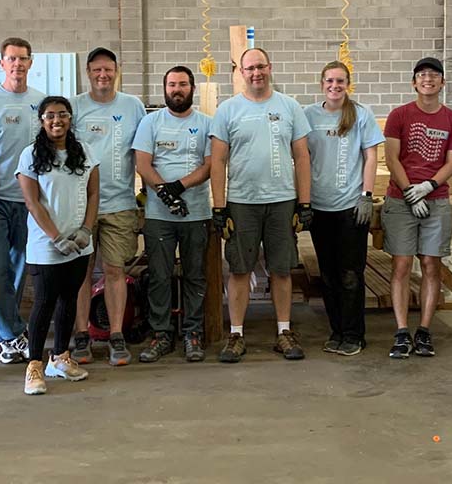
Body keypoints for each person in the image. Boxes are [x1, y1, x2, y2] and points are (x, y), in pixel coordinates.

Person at [209, 47, 312, 363]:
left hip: (281, 201)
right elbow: (218, 160)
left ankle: (283, 332)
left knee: (281, 269)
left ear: (270, 67)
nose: (256, 73)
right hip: (242, 203)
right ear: (241, 72)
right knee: (239, 268)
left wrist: (304, 203)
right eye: (249, 68)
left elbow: (302, 156)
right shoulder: (228, 110)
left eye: (261, 67)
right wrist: (219, 206)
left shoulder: (290, 106)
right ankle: (236, 335)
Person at [381, 57, 452, 359]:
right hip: (401, 199)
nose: (427, 79)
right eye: (421, 75)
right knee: (401, 265)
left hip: (436, 200)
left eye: (434, 75)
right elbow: (392, 158)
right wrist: (409, 192)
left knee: (431, 265)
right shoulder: (399, 115)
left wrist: (428, 186)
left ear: (442, 83)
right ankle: (402, 331)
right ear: (414, 82)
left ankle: (425, 331)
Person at [69, 47, 146, 367]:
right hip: (79, 206)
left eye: (109, 70)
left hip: (120, 204)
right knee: (80, 274)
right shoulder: (73, 107)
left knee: (115, 271)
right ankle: (81, 335)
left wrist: (147, 195)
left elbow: (143, 151)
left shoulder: (133, 106)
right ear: (88, 72)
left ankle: (116, 336)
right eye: (97, 70)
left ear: (117, 71)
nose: (103, 75)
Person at [16, 96, 98, 395]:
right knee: (44, 302)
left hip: (78, 244)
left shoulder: (85, 151)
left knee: (69, 300)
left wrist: (86, 229)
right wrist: (55, 237)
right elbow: (32, 201)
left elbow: (93, 193)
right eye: (50, 115)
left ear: (70, 118)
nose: (56, 120)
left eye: (62, 114)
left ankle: (60, 358)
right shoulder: (30, 155)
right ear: (41, 120)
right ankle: (35, 365)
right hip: (46, 245)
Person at [132, 66, 213, 363]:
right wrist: (163, 192)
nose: (176, 89)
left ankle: (193, 334)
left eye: (182, 84)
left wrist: (178, 186)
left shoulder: (207, 123)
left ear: (192, 88)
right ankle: (162, 334)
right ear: (164, 88)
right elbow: (142, 162)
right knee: (160, 277)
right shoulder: (150, 122)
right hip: (159, 216)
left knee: (194, 276)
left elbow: (209, 165)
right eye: (171, 85)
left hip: (196, 213)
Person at [303, 61, 384, 356]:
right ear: (321, 83)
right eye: (329, 81)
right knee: (328, 274)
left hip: (351, 208)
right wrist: (304, 201)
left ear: (348, 84)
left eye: (340, 81)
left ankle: (353, 334)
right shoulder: (308, 115)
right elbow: (300, 158)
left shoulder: (360, 115)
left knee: (350, 273)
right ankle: (336, 330)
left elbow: (371, 156)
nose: (334, 86)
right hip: (319, 207)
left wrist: (366, 194)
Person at [0, 37, 45, 364]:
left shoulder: (41, 102)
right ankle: (11, 334)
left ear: (31, 63)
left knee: (20, 268)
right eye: (11, 59)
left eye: (23, 59)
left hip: (29, 201)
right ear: (1, 63)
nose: (17, 64)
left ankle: (2, 337)